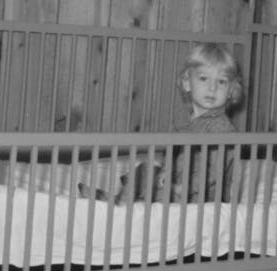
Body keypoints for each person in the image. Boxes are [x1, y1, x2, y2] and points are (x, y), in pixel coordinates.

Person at [79, 42, 244, 204]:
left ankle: (126, 202)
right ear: (187, 83)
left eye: (221, 81)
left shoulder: (223, 130)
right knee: (146, 170)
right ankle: (123, 199)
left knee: (161, 189)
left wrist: (181, 187)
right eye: (203, 78)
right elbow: (173, 159)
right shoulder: (187, 124)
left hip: (205, 198)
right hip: (180, 185)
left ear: (231, 90)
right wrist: (166, 173)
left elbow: (212, 173)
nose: (212, 88)